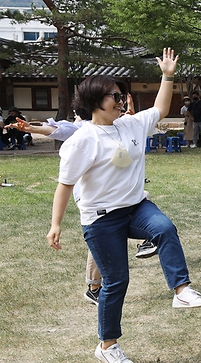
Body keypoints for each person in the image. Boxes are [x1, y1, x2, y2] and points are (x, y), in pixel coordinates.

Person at [47, 49, 201, 363]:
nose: (121, 101)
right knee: (117, 280)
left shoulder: (131, 125)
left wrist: (167, 76)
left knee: (164, 228)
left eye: (121, 95)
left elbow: (161, 108)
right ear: (96, 101)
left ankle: (181, 290)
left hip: (135, 206)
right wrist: (55, 225)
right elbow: (65, 184)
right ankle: (107, 345)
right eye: (114, 96)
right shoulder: (84, 140)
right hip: (101, 219)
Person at [16, 103, 158, 304]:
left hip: (113, 195)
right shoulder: (85, 129)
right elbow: (57, 130)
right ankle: (93, 287)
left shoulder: (115, 127)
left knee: (143, 200)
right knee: (100, 238)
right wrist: (32, 129)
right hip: (93, 199)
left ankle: (149, 240)